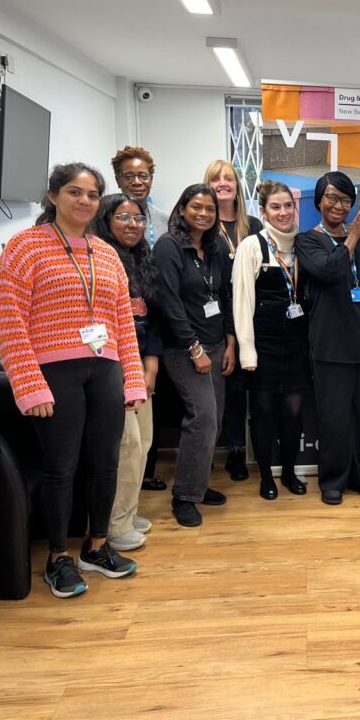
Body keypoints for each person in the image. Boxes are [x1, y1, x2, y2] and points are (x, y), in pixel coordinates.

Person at [0, 163, 143, 598]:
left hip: (105, 371)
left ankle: (97, 547)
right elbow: (9, 322)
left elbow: (123, 323)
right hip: (55, 375)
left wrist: (131, 381)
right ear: (53, 196)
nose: (84, 201)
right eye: (75, 192)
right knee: (62, 469)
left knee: (106, 464)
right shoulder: (25, 248)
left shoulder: (106, 252)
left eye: (93, 194)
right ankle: (58, 557)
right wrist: (29, 385)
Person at [296, 171, 360, 505]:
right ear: (319, 202)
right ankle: (333, 479)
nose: (339, 205)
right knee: (335, 417)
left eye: (345, 199)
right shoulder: (308, 241)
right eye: (332, 198)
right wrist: (351, 237)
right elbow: (330, 271)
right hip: (331, 346)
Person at [153, 184, 235, 527]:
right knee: (202, 420)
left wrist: (230, 342)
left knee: (213, 421)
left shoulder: (214, 248)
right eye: (196, 207)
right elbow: (170, 303)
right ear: (182, 209)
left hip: (217, 345)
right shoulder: (169, 247)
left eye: (210, 209)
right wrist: (195, 348)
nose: (203, 214)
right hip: (185, 349)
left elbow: (226, 295)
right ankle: (185, 495)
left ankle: (198, 485)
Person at [92, 194, 162, 552]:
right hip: (111, 368)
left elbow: (150, 321)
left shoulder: (141, 261)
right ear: (106, 220)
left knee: (144, 442)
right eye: (124, 217)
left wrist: (150, 365)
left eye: (138, 218)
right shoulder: (99, 260)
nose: (133, 225)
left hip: (139, 365)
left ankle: (126, 512)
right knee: (127, 445)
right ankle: (115, 527)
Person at [232, 181, 309, 500]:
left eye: (288, 206)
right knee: (263, 413)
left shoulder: (305, 246)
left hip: (297, 346)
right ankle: (266, 476)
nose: (283, 212)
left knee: (293, 413)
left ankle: (289, 473)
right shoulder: (252, 246)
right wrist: (247, 352)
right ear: (262, 211)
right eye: (275, 207)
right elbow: (241, 302)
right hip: (262, 346)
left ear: (296, 209)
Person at [206, 159, 263, 482]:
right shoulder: (204, 227)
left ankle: (258, 449)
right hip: (219, 318)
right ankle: (236, 451)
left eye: (229, 178)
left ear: (238, 186)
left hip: (255, 316)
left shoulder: (253, 226)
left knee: (254, 384)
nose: (223, 183)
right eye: (216, 179)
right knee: (232, 389)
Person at [111, 146, 166, 248]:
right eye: (129, 177)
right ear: (118, 180)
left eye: (143, 176)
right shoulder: (105, 218)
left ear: (151, 179)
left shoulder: (165, 221)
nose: (137, 182)